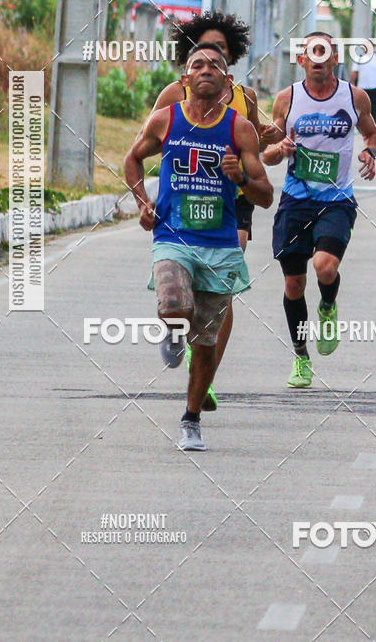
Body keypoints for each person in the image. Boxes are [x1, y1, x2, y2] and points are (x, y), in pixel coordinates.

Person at [125, 42, 273, 450]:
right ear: (185, 79)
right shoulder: (165, 119)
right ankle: (173, 329)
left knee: (206, 342)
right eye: (197, 65)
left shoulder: (239, 128)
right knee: (172, 302)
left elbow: (265, 195)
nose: (205, 69)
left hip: (221, 245)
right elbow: (132, 159)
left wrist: (239, 176)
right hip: (173, 236)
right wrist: (143, 202)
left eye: (215, 65)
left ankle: (190, 419)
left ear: (227, 81)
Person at [152, 11, 276, 411]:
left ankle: (205, 372)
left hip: (233, 196)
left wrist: (273, 141)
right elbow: (155, 138)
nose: (211, 58)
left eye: (220, 51)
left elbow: (256, 141)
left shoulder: (245, 97)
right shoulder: (174, 94)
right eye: (203, 52)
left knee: (224, 283)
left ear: (230, 59)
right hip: (187, 200)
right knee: (184, 294)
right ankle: (184, 336)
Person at [263, 32, 376, 388]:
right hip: (296, 201)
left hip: (336, 200)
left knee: (324, 266)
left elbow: (371, 135)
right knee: (294, 284)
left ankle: (328, 305)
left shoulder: (354, 97)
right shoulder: (287, 99)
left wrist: (369, 153)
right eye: (311, 52)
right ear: (301, 60)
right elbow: (266, 154)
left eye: (325, 52)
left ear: (334, 60)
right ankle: (301, 357)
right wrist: (280, 149)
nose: (318, 58)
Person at [349, 48, 376, 122]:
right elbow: (354, 73)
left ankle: (372, 128)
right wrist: (352, 86)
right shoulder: (359, 58)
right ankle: (364, 127)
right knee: (362, 109)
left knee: (374, 110)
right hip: (363, 88)